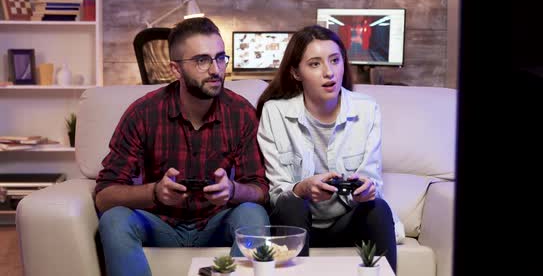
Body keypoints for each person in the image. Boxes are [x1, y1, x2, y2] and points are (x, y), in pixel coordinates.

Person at [95, 17, 270, 276]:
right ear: (176, 69)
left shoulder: (241, 112)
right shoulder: (144, 113)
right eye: (202, 60)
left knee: (254, 215)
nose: (215, 70)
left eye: (220, 58)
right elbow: (104, 196)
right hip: (159, 223)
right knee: (114, 219)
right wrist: (155, 192)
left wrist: (231, 190)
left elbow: (260, 191)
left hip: (216, 222)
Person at [256, 25, 399, 271]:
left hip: (347, 221)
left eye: (335, 60)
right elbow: (277, 192)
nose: (329, 72)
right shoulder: (275, 111)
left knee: (378, 208)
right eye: (315, 64)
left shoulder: (367, 109)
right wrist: (302, 188)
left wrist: (365, 190)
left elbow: (372, 179)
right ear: (296, 72)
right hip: (297, 223)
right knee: (291, 202)